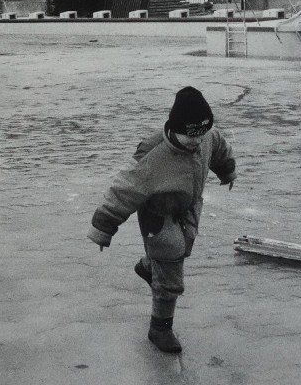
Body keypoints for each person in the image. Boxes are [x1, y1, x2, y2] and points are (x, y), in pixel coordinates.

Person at [87, 86, 237, 354]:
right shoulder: (152, 157)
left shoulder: (206, 136)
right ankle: (160, 328)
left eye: (200, 134)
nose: (196, 141)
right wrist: (103, 226)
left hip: (189, 205)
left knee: (183, 247)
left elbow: (219, 149)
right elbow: (123, 190)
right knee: (171, 273)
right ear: (173, 127)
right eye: (189, 135)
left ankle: (149, 267)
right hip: (157, 213)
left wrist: (227, 170)